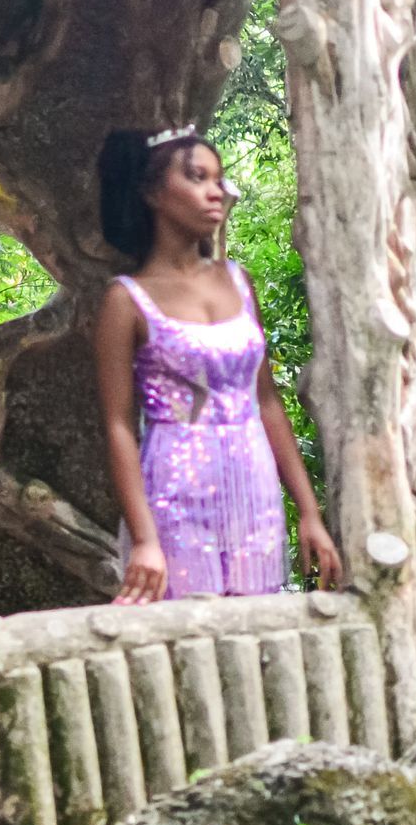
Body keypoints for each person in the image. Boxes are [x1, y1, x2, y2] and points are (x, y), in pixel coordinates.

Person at [94, 126, 344, 605]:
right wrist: (145, 540)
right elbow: (119, 426)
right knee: (188, 639)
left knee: (257, 632)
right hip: (173, 490)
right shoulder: (124, 300)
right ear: (152, 193)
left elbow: (266, 401)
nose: (216, 191)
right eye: (197, 177)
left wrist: (309, 510)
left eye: (219, 178)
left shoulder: (238, 281)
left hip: (253, 483)